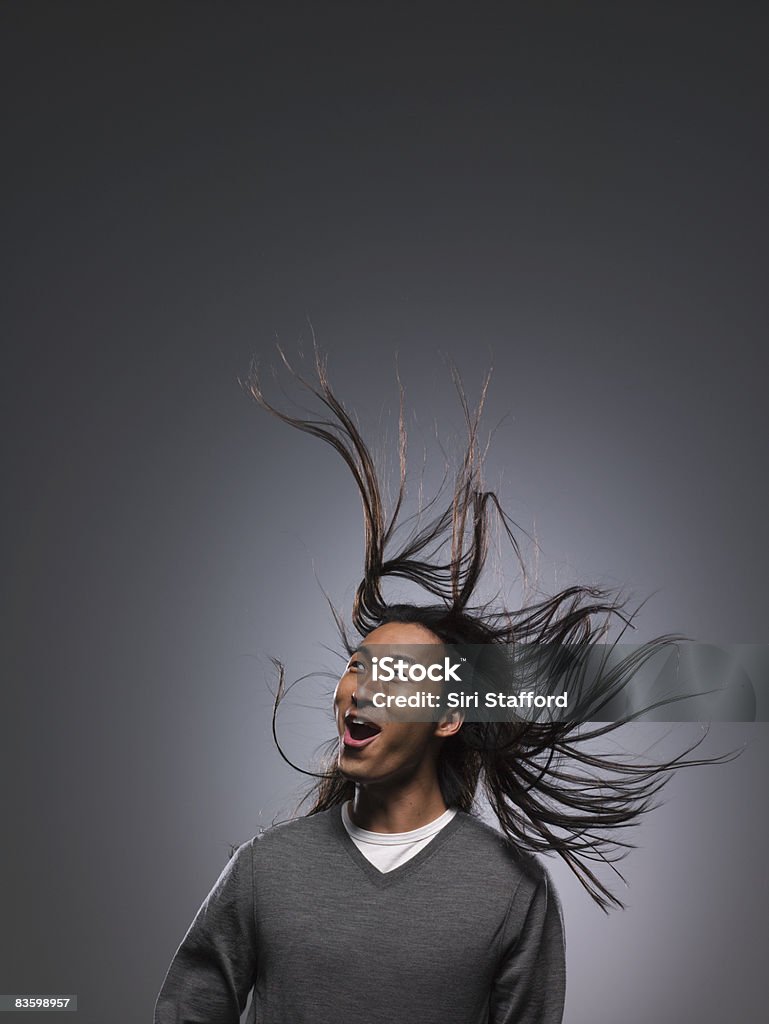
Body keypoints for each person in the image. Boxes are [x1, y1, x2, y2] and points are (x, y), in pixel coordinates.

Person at [154, 346, 727, 1024]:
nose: (357, 689)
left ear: (448, 717)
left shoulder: (511, 891)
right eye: (355, 666)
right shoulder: (264, 871)